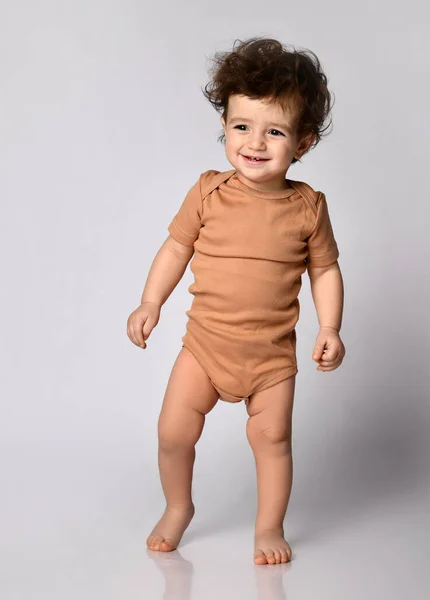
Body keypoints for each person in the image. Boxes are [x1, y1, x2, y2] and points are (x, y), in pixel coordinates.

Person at [126, 37, 345, 565]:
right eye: (241, 126)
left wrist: (331, 328)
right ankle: (178, 506)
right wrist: (150, 301)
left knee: (273, 440)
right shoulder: (207, 192)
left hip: (270, 358)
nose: (255, 142)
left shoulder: (307, 207)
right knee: (173, 431)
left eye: (274, 131)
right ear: (224, 125)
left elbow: (326, 270)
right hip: (205, 346)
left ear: (304, 142)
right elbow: (176, 247)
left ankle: (268, 526)